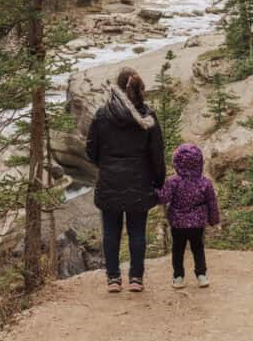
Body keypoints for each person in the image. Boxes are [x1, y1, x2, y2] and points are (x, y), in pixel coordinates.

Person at [85, 67, 166, 293]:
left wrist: (106, 165)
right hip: (139, 182)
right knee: (137, 232)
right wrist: (159, 182)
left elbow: (91, 149)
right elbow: (156, 153)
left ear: (118, 88)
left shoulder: (102, 114)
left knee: (111, 232)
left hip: (110, 181)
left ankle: (113, 279)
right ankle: (136, 279)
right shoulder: (148, 117)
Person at [158, 143, 220, 289]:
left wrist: (155, 188)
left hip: (177, 224)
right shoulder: (205, 182)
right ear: (199, 162)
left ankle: (178, 277)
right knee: (198, 248)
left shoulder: (173, 181)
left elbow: (163, 198)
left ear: (177, 162)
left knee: (177, 250)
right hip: (197, 223)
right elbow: (212, 203)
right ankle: (202, 276)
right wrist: (214, 221)